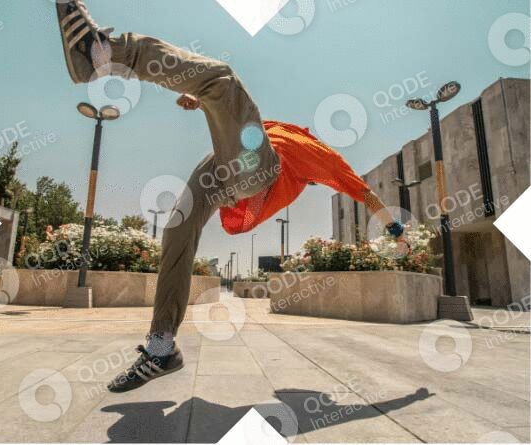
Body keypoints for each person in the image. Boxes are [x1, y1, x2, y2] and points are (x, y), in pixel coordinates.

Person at [55, 0, 407, 393]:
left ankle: (102, 53)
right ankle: (162, 347)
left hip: (259, 173)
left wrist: (395, 230)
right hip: (222, 171)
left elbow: (362, 191)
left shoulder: (322, 157)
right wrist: (200, 95)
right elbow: (234, 122)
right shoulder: (282, 129)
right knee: (177, 230)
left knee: (223, 79)